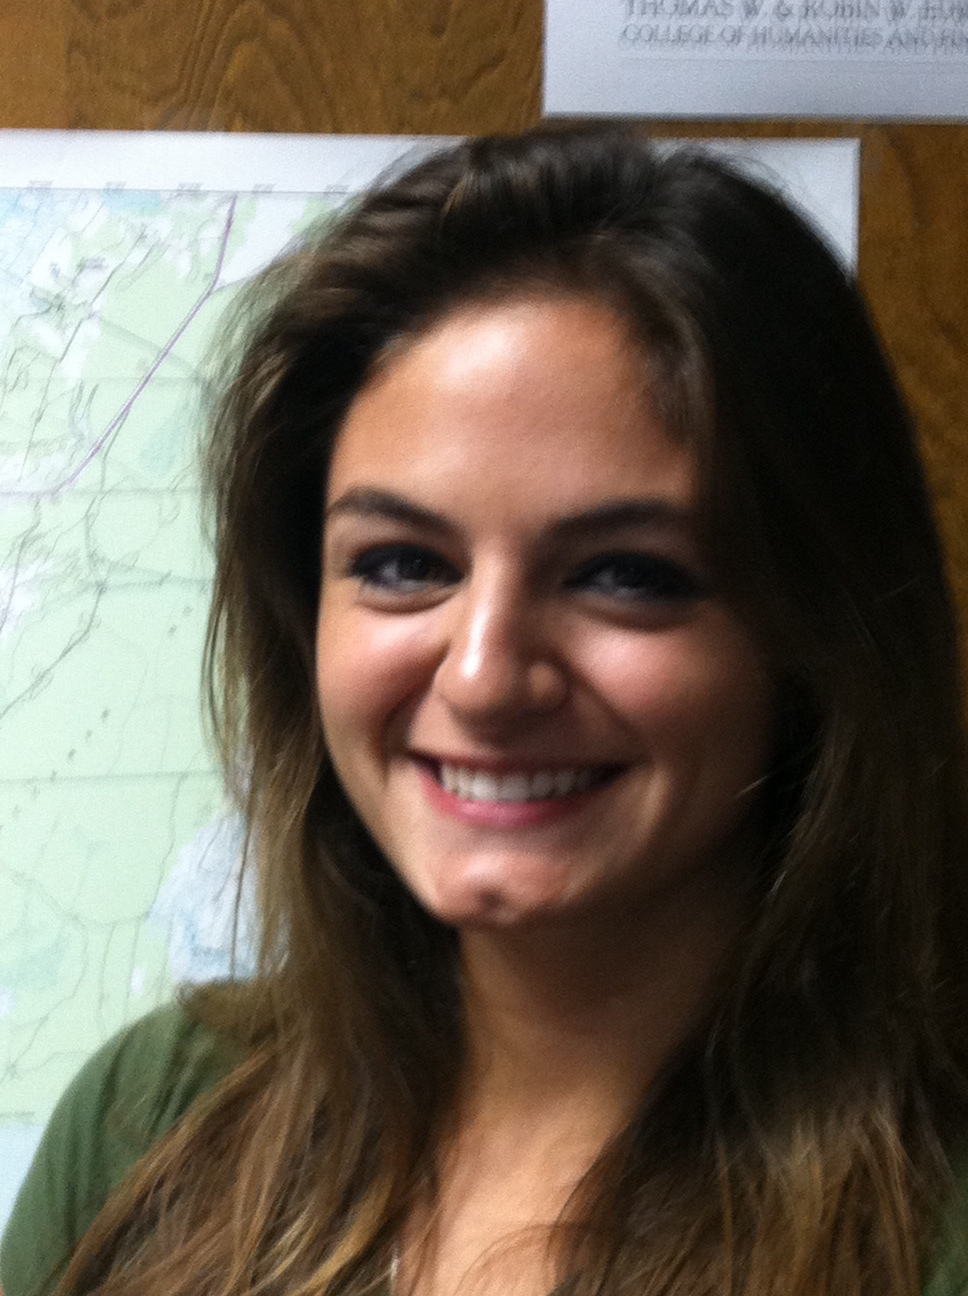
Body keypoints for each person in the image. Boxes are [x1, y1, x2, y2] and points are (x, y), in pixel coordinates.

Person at [3, 125, 968, 1296]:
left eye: (624, 575)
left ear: (811, 636)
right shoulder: (148, 1119)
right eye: (403, 564)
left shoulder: (934, 1221)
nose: (481, 678)